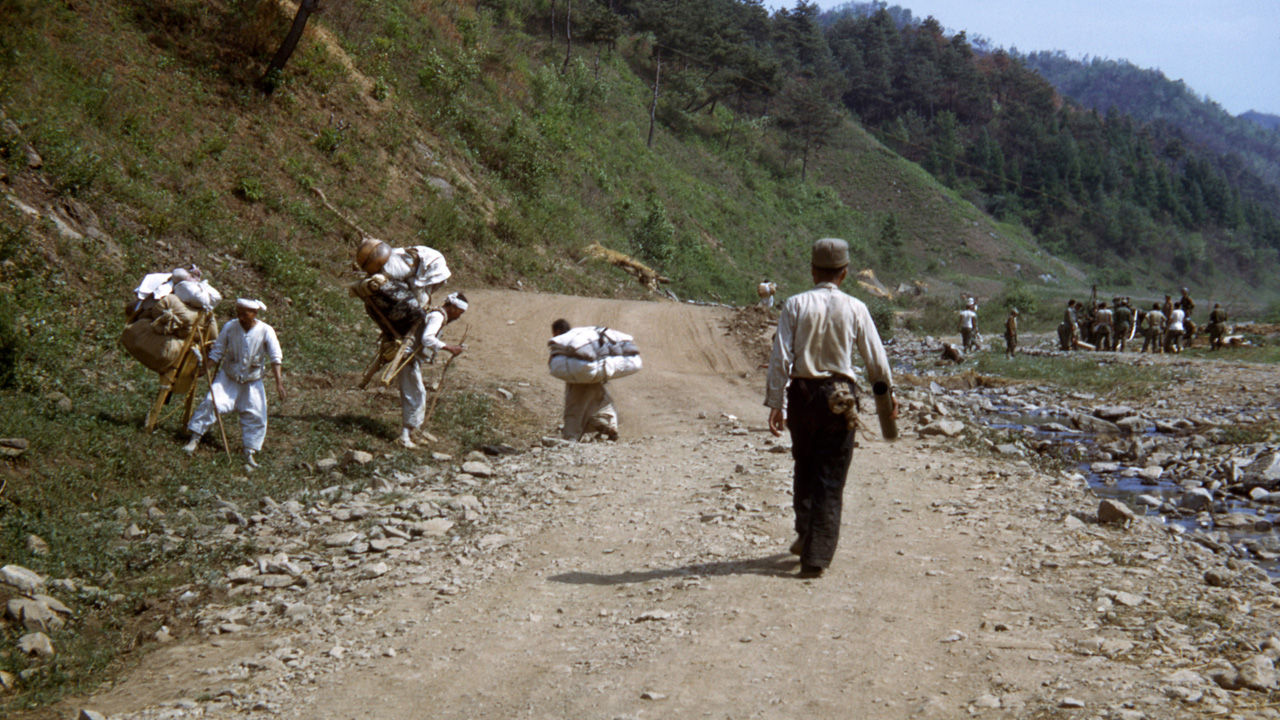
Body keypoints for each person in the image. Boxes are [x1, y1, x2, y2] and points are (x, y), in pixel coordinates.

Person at [765, 238, 895, 579]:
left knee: (804, 466)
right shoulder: (856, 308)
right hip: (840, 399)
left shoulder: (794, 304)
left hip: (803, 395)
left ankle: (805, 531)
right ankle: (816, 557)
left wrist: (776, 403)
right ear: (845, 273)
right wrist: (886, 401)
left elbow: (780, 358)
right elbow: (876, 364)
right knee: (831, 477)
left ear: (812, 270)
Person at [183, 299, 286, 469]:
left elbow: (276, 358)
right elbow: (217, 351)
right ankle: (194, 439)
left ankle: (250, 451)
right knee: (211, 402)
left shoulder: (266, 330)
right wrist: (205, 370)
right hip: (228, 377)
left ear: (254, 314)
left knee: (256, 414)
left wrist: (279, 384)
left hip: (252, 381)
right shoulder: (231, 327)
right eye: (238, 312)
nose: (240, 317)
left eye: (244, 314)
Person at [396, 292, 467, 448]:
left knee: (416, 394)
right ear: (453, 307)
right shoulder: (438, 316)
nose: (459, 317)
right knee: (415, 394)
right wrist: (449, 348)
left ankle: (413, 433)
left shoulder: (437, 314)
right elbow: (427, 338)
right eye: (459, 313)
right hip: (407, 358)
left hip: (411, 359)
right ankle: (405, 436)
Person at [551, 318, 623, 441]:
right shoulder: (582, 338)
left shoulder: (563, 342)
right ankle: (608, 424)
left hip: (577, 382)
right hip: (595, 377)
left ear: (557, 331)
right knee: (603, 404)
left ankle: (570, 439)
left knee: (574, 411)